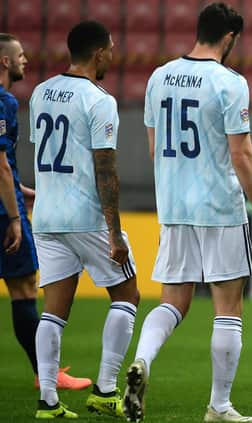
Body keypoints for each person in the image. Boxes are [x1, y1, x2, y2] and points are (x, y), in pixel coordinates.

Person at [122, 4, 252, 423]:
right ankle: (219, 406)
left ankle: (143, 362)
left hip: (175, 206)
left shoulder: (159, 77)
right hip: (219, 207)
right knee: (228, 306)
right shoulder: (229, 82)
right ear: (229, 38)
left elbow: (155, 151)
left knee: (173, 301)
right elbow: (241, 153)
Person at [30, 21, 139, 419]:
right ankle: (106, 390)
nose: (113, 55)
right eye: (111, 49)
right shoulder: (98, 100)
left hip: (45, 215)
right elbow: (105, 168)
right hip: (85, 216)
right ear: (98, 54)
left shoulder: (41, 92)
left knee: (54, 310)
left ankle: (48, 401)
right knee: (128, 296)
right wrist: (115, 233)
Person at [0, 34, 92, 393]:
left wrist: (23, 189)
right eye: (20, 56)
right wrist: (13, 216)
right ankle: (47, 374)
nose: (26, 60)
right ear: (5, 62)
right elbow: (1, 166)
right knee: (23, 290)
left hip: (8, 197)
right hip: (4, 214)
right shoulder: (4, 101)